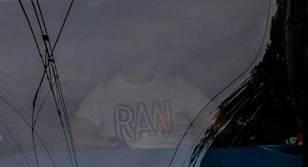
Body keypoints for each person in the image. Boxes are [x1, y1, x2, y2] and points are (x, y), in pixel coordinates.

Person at [72, 64, 218, 149]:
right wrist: (109, 143)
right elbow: (72, 138)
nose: (137, 51)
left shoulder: (178, 86)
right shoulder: (103, 93)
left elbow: (218, 124)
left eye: (143, 43)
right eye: (131, 43)